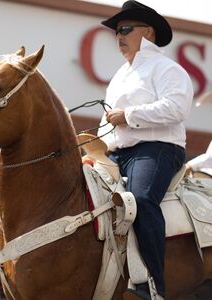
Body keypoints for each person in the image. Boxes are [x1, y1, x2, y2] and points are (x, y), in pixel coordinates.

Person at [97, 1, 193, 299]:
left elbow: (176, 109)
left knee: (139, 200)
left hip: (158, 149)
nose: (119, 36)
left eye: (125, 29)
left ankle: (152, 286)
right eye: (116, 32)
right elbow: (107, 120)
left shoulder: (168, 69)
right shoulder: (119, 76)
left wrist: (129, 116)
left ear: (148, 32)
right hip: (117, 153)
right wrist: (96, 143)